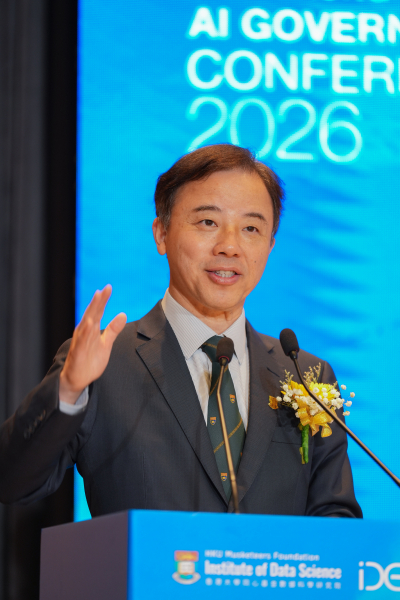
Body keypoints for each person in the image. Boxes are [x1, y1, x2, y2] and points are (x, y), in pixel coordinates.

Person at [0, 144, 362, 518]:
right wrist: (68, 391)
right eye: (207, 222)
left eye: (251, 228)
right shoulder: (105, 363)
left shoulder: (306, 376)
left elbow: (337, 520)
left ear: (270, 245)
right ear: (161, 234)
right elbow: (13, 482)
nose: (229, 246)